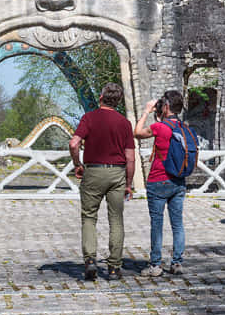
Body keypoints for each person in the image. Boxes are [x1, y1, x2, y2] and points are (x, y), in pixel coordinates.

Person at [69, 82, 136, 281]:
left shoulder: (89, 118)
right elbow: (130, 157)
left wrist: (77, 164)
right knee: (116, 220)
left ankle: (90, 260)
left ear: (101, 97)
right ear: (118, 101)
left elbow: (74, 143)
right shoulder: (124, 123)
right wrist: (129, 183)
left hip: (93, 172)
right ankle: (114, 267)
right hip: (116, 174)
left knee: (89, 217)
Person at [134, 89, 189, 276]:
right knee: (178, 224)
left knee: (157, 224)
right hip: (178, 181)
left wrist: (147, 111)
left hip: (158, 180)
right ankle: (177, 263)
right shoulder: (184, 128)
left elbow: (137, 132)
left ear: (165, 107)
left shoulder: (159, 128)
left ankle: (156, 265)